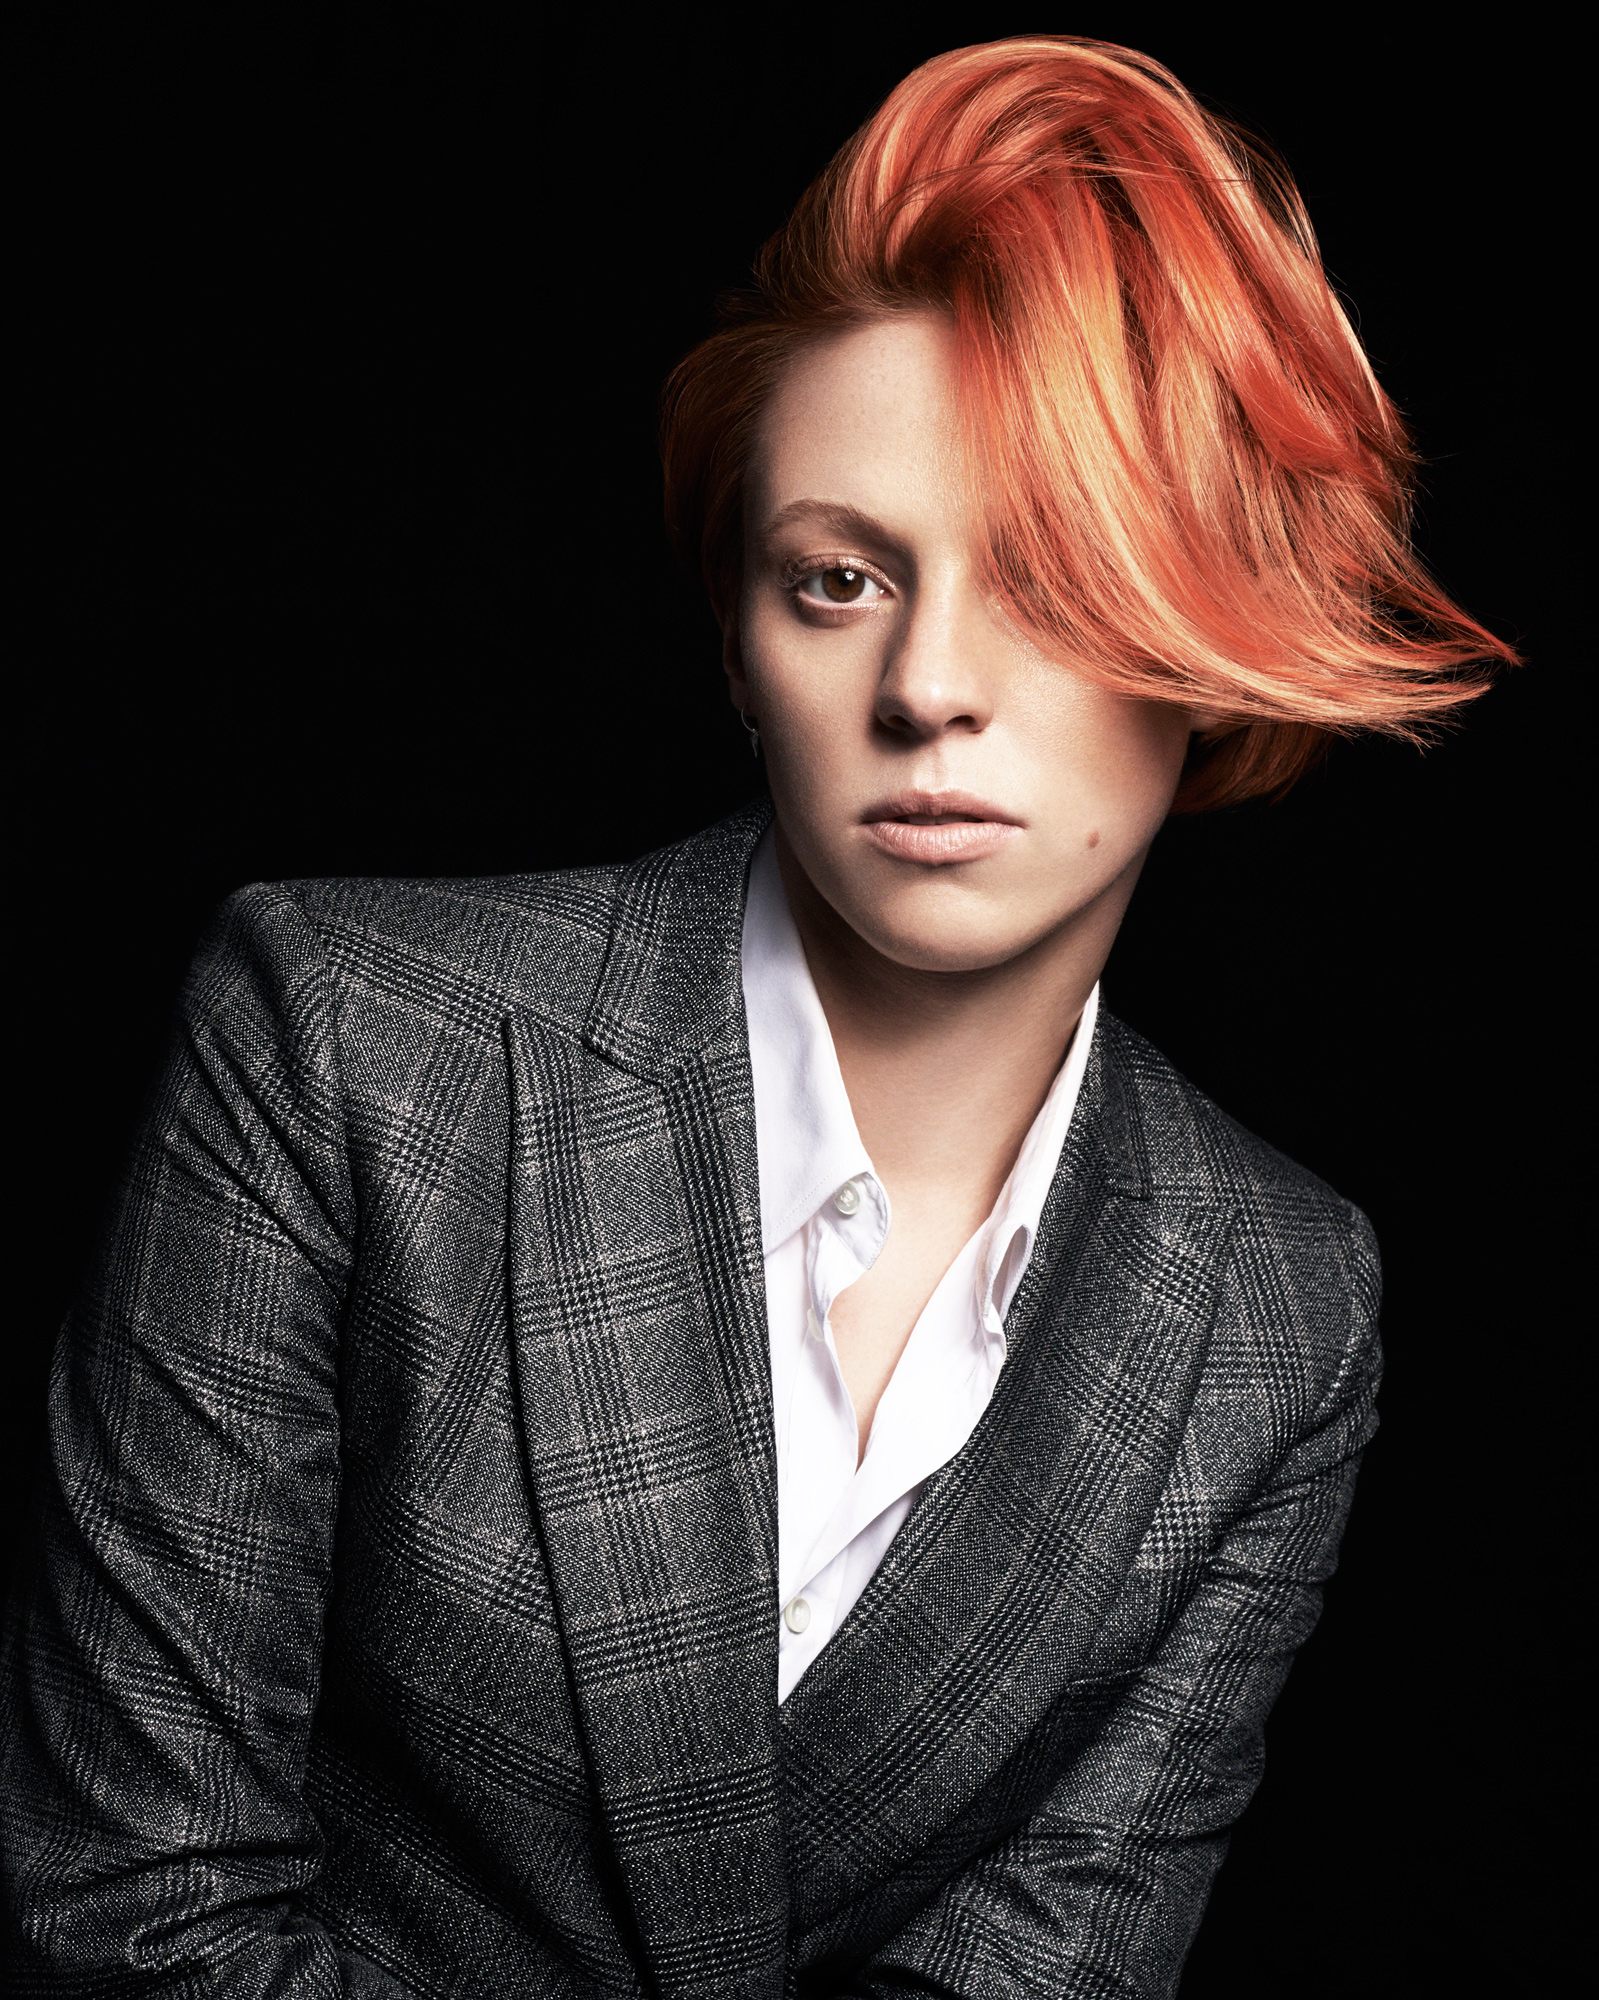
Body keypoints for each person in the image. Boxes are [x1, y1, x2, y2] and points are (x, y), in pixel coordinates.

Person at [0, 34, 1513, 1998]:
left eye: (1054, 578)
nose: (930, 684)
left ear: (1212, 642)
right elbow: (137, 1925)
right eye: (838, 578)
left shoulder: (1277, 1310)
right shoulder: (346, 1042)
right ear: (735, 632)